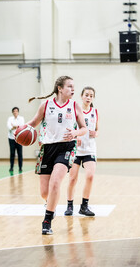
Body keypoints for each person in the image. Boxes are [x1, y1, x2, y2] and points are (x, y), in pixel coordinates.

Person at [26, 76, 87, 235]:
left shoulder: (75, 106)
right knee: (44, 192)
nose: (73, 89)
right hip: (47, 148)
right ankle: (49, 202)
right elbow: (33, 123)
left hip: (66, 147)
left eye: (74, 87)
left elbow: (84, 129)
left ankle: (47, 220)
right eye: (69, 86)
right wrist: (20, 131)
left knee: (55, 183)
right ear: (60, 88)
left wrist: (75, 133)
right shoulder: (46, 105)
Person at [64, 86, 98, 217]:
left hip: (90, 148)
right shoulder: (75, 111)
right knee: (72, 179)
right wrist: (76, 135)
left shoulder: (95, 112)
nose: (88, 97)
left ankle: (84, 206)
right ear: (82, 96)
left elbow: (98, 129)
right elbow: (71, 127)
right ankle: (69, 205)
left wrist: (96, 133)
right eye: (86, 95)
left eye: (91, 95)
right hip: (76, 149)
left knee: (90, 176)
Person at [7, 107, 25, 173]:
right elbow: (9, 127)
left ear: (18, 112)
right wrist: (15, 126)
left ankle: (20, 167)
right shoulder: (10, 119)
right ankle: (11, 167)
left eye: (16, 111)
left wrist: (14, 126)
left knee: (20, 153)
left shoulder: (21, 118)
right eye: (14, 111)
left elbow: (21, 127)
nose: (15, 112)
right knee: (12, 153)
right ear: (12, 112)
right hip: (11, 138)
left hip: (19, 138)